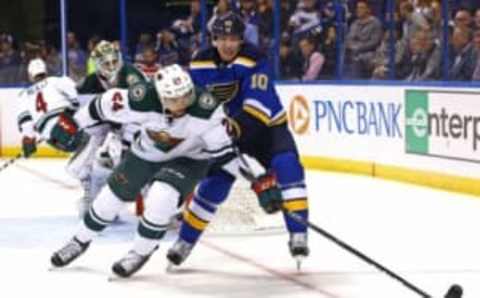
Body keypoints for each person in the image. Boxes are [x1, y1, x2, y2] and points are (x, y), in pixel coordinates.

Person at [50, 64, 234, 278]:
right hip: (147, 153)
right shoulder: (142, 98)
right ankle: (79, 241)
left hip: (189, 159)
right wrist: (73, 123)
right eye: (173, 99)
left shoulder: (208, 108)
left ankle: (140, 252)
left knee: (161, 197)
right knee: (109, 199)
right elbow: (101, 105)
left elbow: (224, 152)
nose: (181, 103)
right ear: (160, 95)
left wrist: (256, 178)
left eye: (185, 96)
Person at [167, 12, 310, 268]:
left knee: (288, 167)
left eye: (233, 39)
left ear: (241, 40)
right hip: (227, 133)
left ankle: (298, 234)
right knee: (214, 185)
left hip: (267, 128)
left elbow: (257, 105)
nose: (228, 44)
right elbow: (195, 104)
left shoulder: (254, 58)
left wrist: (256, 172)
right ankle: (185, 241)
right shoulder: (200, 63)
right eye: (222, 38)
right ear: (213, 39)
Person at [67, 40, 148, 218]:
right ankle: (92, 196)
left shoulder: (131, 76)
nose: (112, 66)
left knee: (138, 156)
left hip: (134, 123)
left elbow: (144, 112)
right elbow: (84, 117)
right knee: (84, 156)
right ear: (97, 65)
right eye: (106, 63)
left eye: (114, 61)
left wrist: (124, 141)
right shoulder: (88, 84)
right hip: (108, 125)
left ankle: (155, 200)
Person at [17, 58, 85, 158]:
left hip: (50, 136)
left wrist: (30, 139)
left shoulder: (23, 95)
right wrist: (70, 112)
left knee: (77, 153)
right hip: (69, 123)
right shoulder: (56, 81)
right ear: (45, 71)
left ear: (30, 75)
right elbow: (78, 98)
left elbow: (26, 122)